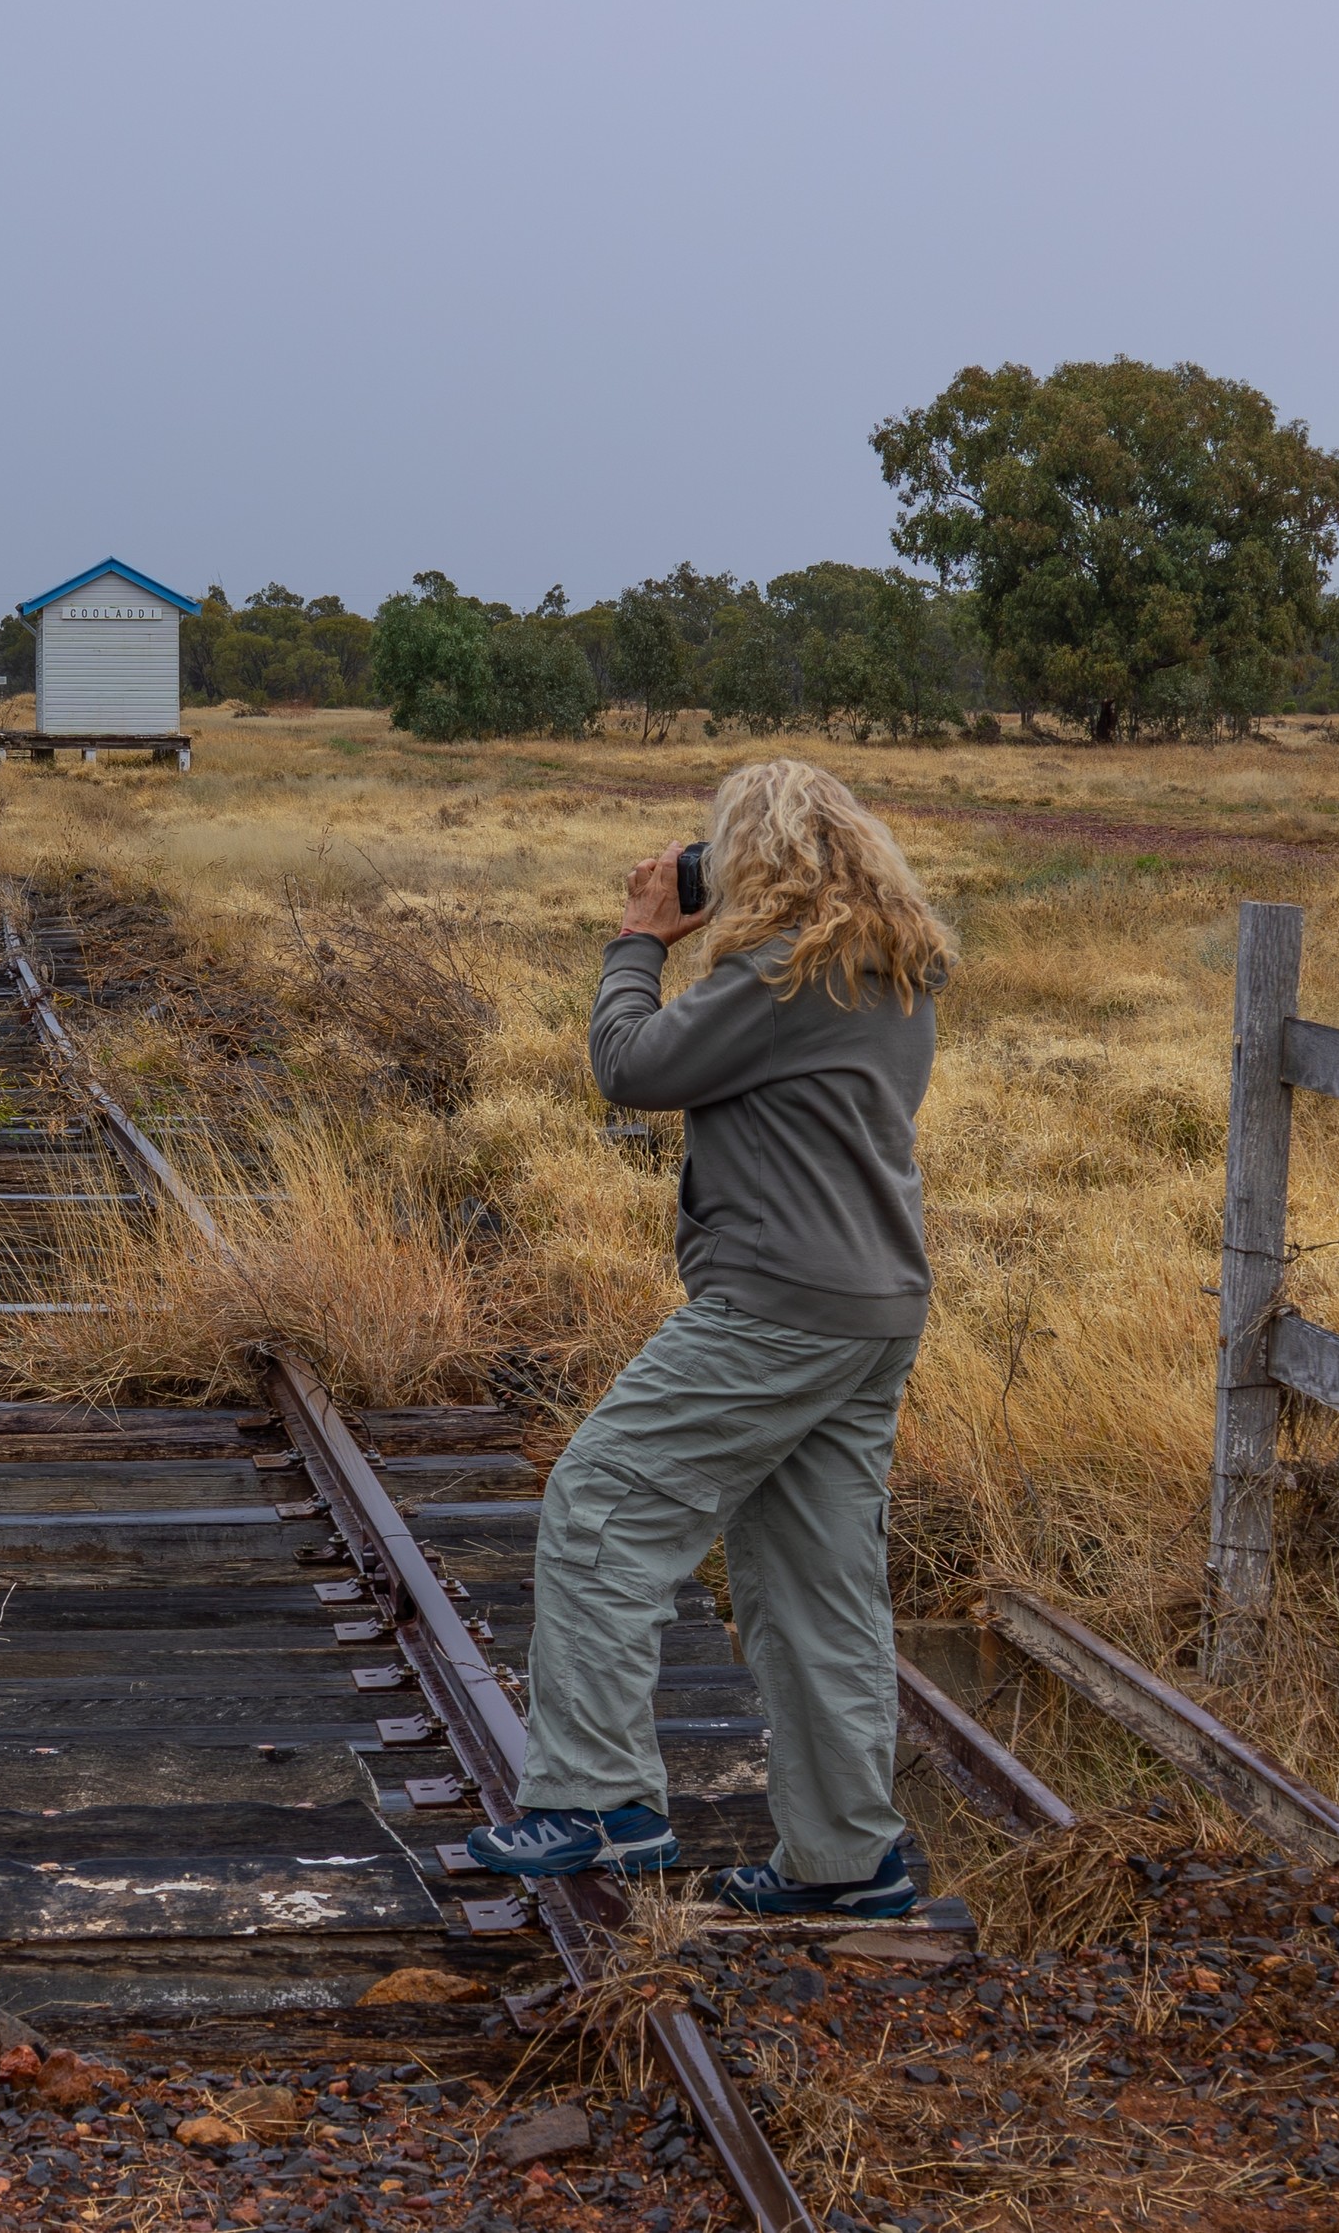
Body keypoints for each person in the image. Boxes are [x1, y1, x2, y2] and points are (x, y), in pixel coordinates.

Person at [467, 756, 952, 1918]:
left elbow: (628, 1068)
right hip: (872, 1313)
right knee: (816, 1587)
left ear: (758, 857)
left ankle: (594, 1799)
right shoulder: (896, 971)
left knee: (599, 1503)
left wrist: (640, 940)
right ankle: (847, 1861)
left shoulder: (784, 975)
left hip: (775, 1308)